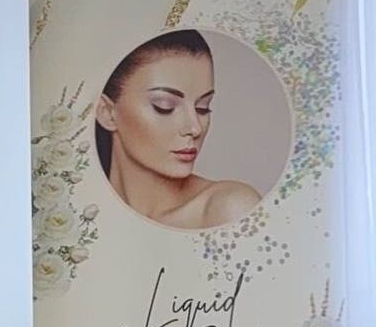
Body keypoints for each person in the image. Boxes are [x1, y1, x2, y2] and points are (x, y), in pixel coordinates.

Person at [90, 29, 261, 230]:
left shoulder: (228, 208)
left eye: (203, 107)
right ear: (107, 113)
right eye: (165, 107)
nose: (195, 128)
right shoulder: (81, 213)